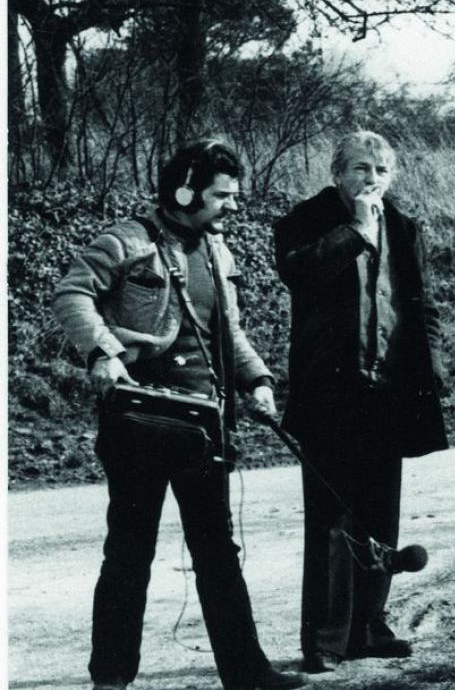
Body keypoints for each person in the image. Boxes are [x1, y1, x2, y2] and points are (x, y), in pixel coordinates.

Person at [52, 138, 306, 690]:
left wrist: (257, 380)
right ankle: (111, 678)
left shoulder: (219, 252)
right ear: (185, 190)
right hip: (138, 422)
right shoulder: (127, 239)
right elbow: (73, 294)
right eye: (222, 196)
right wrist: (102, 351)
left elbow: (228, 333)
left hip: (204, 425)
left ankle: (248, 673)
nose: (233, 206)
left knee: (218, 551)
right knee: (129, 549)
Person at [272, 131, 449, 673]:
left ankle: (369, 626)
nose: (371, 180)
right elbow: (297, 273)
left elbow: (420, 302)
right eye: (360, 169)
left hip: (389, 388)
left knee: (380, 512)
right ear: (337, 173)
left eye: (380, 171)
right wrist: (356, 231)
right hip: (330, 391)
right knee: (332, 516)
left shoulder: (404, 226)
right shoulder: (306, 219)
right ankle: (324, 639)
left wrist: (433, 366)